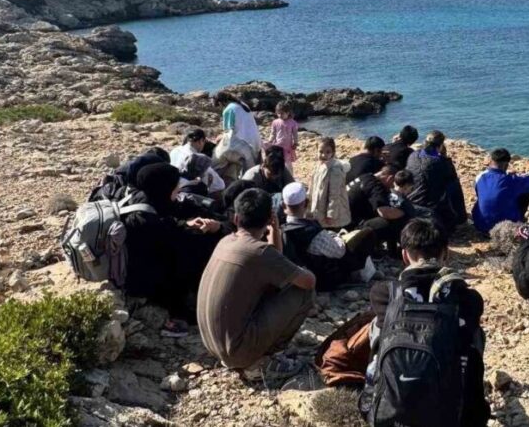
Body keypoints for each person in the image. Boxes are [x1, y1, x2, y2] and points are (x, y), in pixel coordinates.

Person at [365, 219, 490, 426]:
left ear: (405, 255)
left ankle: (377, 392)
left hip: (393, 412)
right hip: (456, 415)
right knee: (474, 335)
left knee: (377, 327)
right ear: (445, 253)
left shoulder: (383, 293)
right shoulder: (468, 298)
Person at [197, 188, 316, 383]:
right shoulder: (258, 252)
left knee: (278, 285)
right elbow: (307, 282)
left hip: (212, 345)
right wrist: (303, 270)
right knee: (303, 292)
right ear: (270, 217)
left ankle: (255, 354)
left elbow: (275, 261)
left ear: (236, 218)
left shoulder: (226, 241)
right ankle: (263, 362)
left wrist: (274, 232)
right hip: (236, 352)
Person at [122, 163, 228, 336]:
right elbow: (167, 234)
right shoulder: (145, 221)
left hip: (142, 271)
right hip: (148, 285)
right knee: (198, 248)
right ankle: (185, 309)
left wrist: (186, 224)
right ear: (164, 188)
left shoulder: (141, 199)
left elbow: (166, 222)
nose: (178, 189)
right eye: (175, 186)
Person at [281, 182, 376, 290]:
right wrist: (337, 236)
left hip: (302, 275)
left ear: (283, 205)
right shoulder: (310, 232)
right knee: (367, 233)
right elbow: (339, 251)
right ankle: (352, 276)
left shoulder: (281, 225)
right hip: (324, 279)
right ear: (306, 203)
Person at [406, 130, 466, 235]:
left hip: (411, 199)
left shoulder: (413, 155)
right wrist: (444, 157)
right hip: (430, 204)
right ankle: (460, 218)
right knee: (454, 185)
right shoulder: (440, 162)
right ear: (440, 145)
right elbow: (451, 180)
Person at [471, 148, 529, 235]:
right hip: (507, 228)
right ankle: (520, 218)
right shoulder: (512, 180)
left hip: (481, 225)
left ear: (491, 161)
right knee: (525, 189)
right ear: (506, 165)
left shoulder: (480, 177)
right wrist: (517, 175)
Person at [310, 137, 351, 228]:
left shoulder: (334, 170)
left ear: (333, 153)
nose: (324, 155)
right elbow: (313, 186)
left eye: (328, 152)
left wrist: (331, 215)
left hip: (335, 213)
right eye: (321, 152)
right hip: (320, 207)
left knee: (333, 231)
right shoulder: (318, 166)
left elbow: (334, 194)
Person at [269, 101, 300, 166]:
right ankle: (280, 173)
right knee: (278, 161)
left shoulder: (292, 122)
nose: (280, 115)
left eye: (282, 113)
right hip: (277, 145)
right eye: (278, 113)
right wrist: (270, 140)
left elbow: (295, 134)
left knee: (288, 163)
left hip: (287, 146)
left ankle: (289, 174)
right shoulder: (275, 122)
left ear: (288, 112)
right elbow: (273, 133)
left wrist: (296, 142)